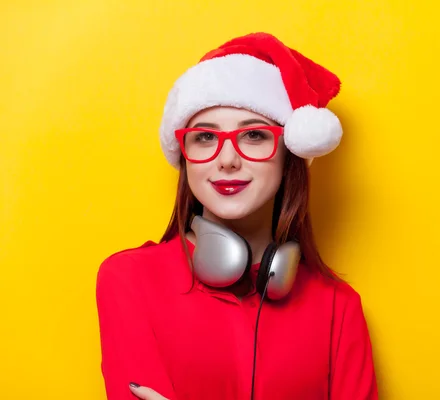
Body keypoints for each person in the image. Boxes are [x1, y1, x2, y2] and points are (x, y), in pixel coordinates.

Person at [95, 32, 378, 400]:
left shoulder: (337, 307)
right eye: (205, 138)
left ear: (288, 153)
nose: (227, 159)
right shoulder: (128, 280)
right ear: (185, 156)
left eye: (254, 136)